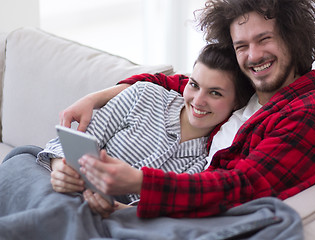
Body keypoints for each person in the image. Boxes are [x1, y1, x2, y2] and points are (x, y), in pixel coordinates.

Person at [60, 0, 315, 219]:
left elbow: (242, 187)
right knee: (29, 162)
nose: (254, 55)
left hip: (201, 221)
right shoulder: (249, 90)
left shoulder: (312, 113)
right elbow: (178, 82)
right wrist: (97, 98)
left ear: (293, 37)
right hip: (169, 209)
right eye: (241, 46)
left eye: (264, 39)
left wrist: (141, 182)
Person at [37, 43, 254, 217]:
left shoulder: (208, 160)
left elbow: (166, 212)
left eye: (215, 93)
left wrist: (116, 210)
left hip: (112, 219)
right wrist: (59, 169)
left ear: (236, 103)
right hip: (65, 189)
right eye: (194, 85)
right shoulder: (145, 95)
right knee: (21, 162)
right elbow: (66, 144)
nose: (198, 101)